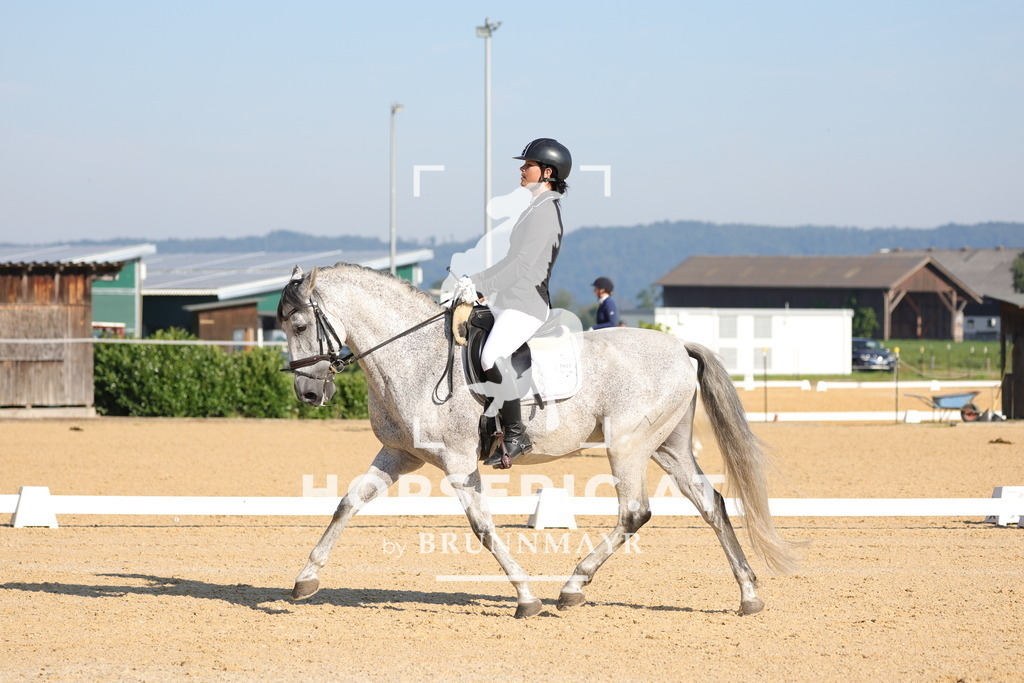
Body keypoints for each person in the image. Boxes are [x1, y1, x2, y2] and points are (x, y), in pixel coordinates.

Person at [453, 138, 571, 467]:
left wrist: (481, 288)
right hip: (511, 300)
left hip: (527, 304)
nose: (522, 169)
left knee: (491, 355)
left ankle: (517, 434)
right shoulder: (534, 208)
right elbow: (509, 261)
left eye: (528, 165)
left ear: (547, 173)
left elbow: (520, 267)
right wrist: (473, 280)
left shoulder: (545, 212)